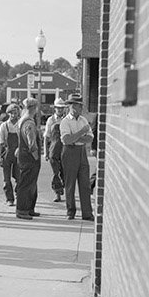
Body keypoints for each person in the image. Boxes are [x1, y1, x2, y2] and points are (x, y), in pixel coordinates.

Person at [60, 93, 94, 221]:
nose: (81, 109)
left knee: (85, 183)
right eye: (79, 106)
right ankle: (70, 211)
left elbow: (90, 138)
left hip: (81, 151)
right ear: (72, 107)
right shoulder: (65, 122)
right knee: (70, 184)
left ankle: (87, 213)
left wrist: (76, 138)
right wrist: (81, 133)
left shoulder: (83, 120)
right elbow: (66, 140)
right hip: (69, 152)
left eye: (81, 106)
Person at [15, 98, 43, 219]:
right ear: (34, 108)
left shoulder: (22, 121)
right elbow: (32, 144)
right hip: (29, 158)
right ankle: (22, 209)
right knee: (26, 184)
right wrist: (36, 157)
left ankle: (29, 208)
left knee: (30, 184)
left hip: (24, 156)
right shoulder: (29, 123)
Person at [0, 103, 22, 206]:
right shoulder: (4, 126)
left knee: (19, 177)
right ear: (8, 113)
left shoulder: (20, 124)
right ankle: (9, 199)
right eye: (11, 113)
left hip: (18, 154)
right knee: (6, 179)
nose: (13, 115)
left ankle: (18, 194)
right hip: (7, 154)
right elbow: (0, 142)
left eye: (15, 113)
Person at [44, 97, 67, 202]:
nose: (60, 110)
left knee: (65, 172)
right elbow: (46, 137)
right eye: (58, 108)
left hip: (65, 150)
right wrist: (45, 152)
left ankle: (63, 187)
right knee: (55, 173)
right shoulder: (50, 120)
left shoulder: (67, 119)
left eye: (62, 108)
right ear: (55, 108)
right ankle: (57, 193)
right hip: (53, 150)